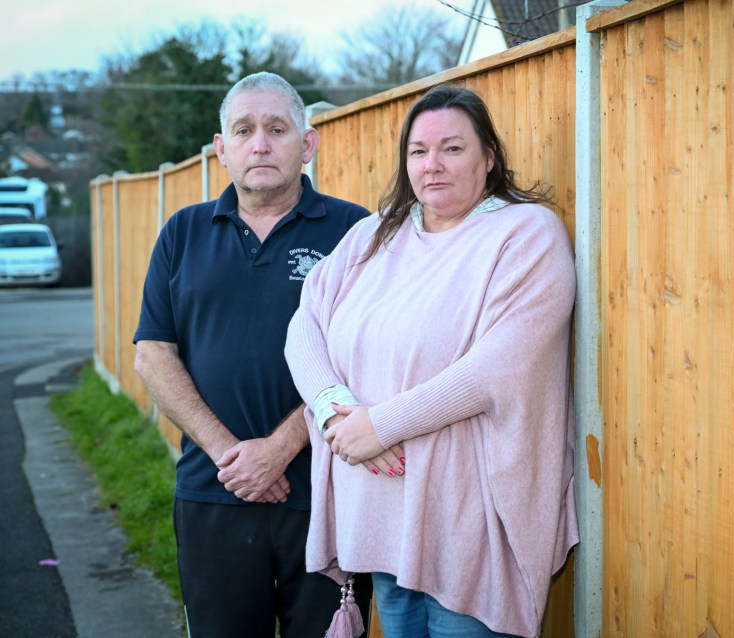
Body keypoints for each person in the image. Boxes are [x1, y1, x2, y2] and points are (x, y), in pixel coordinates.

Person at [284, 84, 579, 638]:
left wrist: (381, 425)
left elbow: (498, 367)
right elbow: (305, 325)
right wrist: (335, 410)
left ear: (488, 157)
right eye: (418, 151)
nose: (432, 166)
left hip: (465, 521)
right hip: (381, 518)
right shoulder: (377, 233)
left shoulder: (525, 234)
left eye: (452, 148)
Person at [133, 72, 373, 638]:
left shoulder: (354, 232)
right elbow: (154, 356)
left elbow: (368, 360)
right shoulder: (182, 233)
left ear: (307, 144)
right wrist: (232, 456)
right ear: (222, 150)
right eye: (243, 130)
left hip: (328, 497)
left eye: (276, 128)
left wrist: (281, 448)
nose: (260, 143)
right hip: (213, 493)